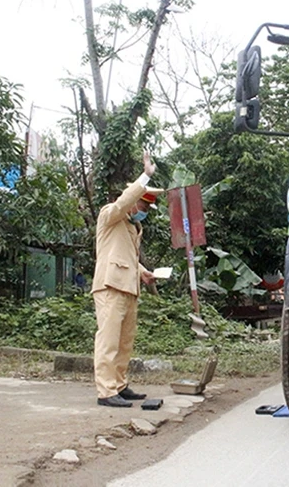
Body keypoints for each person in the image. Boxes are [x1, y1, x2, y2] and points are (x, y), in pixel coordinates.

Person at [91, 152, 163, 407]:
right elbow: (123, 202)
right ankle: (106, 391)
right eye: (143, 206)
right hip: (110, 286)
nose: (144, 211)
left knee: (124, 342)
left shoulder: (132, 228)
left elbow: (127, 256)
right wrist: (146, 176)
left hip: (129, 288)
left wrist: (143, 271)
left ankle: (119, 385)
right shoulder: (110, 215)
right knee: (108, 340)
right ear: (134, 201)